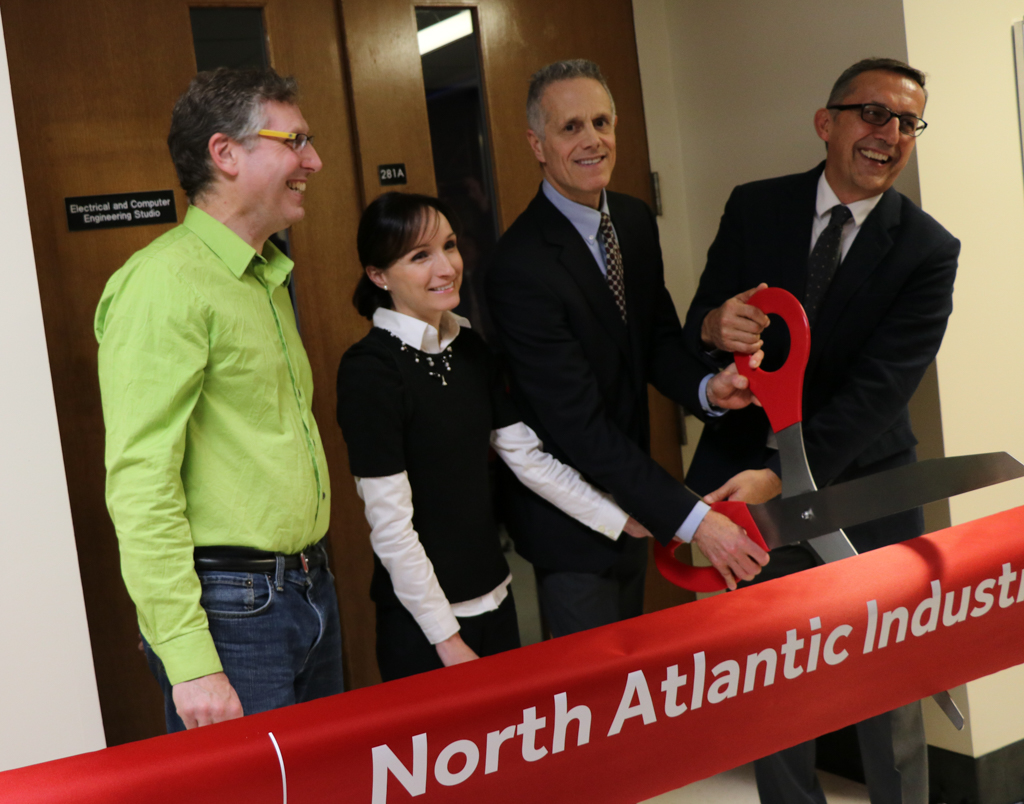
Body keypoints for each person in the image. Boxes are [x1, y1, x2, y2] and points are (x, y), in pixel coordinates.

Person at [682, 58, 959, 804]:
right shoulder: (754, 208)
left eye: (907, 122)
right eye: (873, 114)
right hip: (748, 483)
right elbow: (702, 324)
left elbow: (880, 391)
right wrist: (714, 324)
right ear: (826, 122)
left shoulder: (928, 250)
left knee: (891, 686)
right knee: (774, 684)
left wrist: (790, 473)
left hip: (865, 486)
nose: (890, 134)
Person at [484, 58, 768, 639]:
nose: (592, 140)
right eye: (571, 128)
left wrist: (705, 389)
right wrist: (695, 522)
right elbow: (577, 426)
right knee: (594, 698)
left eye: (602, 122)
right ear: (537, 144)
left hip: (636, 495)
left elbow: (656, 337)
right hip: (571, 520)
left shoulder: (633, 220)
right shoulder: (519, 266)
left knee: (632, 674)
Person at [95, 67, 342, 732]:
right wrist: (190, 660)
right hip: (235, 610)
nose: (313, 161)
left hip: (307, 587)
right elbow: (141, 483)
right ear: (225, 153)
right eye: (295, 141)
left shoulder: (263, 274)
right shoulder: (163, 285)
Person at [336, 192, 654, 680]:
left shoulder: (468, 347)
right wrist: (447, 641)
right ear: (378, 275)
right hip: (426, 627)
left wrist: (621, 516)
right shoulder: (370, 370)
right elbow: (391, 526)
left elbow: (527, 459)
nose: (446, 268)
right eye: (420, 256)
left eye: (449, 246)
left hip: (497, 600)